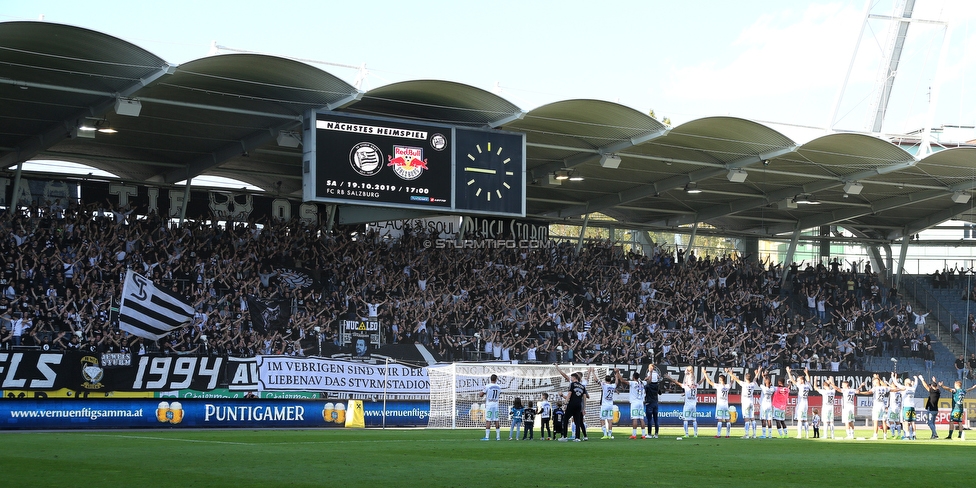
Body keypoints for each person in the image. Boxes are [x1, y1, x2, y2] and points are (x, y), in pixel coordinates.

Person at [555, 364, 589, 442]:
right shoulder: (582, 386)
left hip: (572, 404)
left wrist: (565, 403)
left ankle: (564, 436)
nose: (570, 378)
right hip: (578, 405)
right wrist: (583, 408)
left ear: (574, 378)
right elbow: (584, 398)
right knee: (577, 421)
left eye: (571, 377)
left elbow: (569, 394)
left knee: (566, 419)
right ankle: (577, 438)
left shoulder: (572, 384)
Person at [726, 367, 759, 439]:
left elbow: (735, 378)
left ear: (745, 378)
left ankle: (746, 434)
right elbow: (755, 379)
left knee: (746, 419)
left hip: (745, 403)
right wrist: (758, 373)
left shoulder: (744, 384)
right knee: (752, 418)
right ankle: (754, 434)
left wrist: (729, 373)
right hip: (751, 402)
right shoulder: (753, 384)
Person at [616, 369, 647, 439]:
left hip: (634, 403)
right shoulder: (642, 383)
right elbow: (650, 381)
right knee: (641, 419)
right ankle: (643, 435)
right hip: (641, 402)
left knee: (635, 418)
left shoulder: (632, 383)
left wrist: (618, 372)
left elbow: (623, 381)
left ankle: (634, 435)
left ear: (633, 377)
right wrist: (650, 373)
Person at [672, 365, 699, 438]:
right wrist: (704, 376)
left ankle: (686, 434)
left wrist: (670, 378)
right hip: (694, 405)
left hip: (687, 405)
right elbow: (699, 380)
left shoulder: (686, 386)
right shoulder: (696, 386)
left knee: (685, 420)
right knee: (694, 420)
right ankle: (695, 434)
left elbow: (678, 383)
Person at [703, 372, 732, 438]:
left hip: (720, 405)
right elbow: (732, 381)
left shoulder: (718, 386)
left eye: (719, 378)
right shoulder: (727, 386)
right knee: (727, 420)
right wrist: (731, 373)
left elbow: (709, 381)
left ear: (721, 379)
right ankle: (728, 434)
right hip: (726, 405)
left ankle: (718, 434)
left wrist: (705, 374)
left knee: (720, 420)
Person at [786, 367, 812, 439]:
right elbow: (808, 380)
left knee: (800, 420)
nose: (797, 381)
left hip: (801, 404)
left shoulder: (801, 386)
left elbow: (792, 380)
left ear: (802, 381)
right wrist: (806, 373)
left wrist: (788, 372)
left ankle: (799, 435)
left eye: (798, 380)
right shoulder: (807, 385)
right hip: (806, 403)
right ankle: (807, 435)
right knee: (805, 419)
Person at [864, 374, 890, 440]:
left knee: (876, 421)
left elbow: (869, 392)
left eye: (873, 382)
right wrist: (879, 379)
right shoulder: (884, 388)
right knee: (884, 421)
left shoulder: (875, 388)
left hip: (877, 406)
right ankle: (885, 435)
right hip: (883, 405)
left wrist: (861, 392)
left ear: (875, 382)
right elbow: (886, 386)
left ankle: (875, 435)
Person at [479, 374, 502, 441]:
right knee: (496, 420)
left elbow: (481, 395)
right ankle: (498, 437)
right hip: (496, 405)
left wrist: (481, 393)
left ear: (490, 379)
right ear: (496, 379)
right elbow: (499, 394)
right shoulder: (499, 387)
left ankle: (487, 437)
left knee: (488, 420)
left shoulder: (487, 386)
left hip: (489, 405)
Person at [597, 371, 618, 439]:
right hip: (610, 405)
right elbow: (616, 383)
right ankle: (610, 435)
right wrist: (616, 376)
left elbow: (596, 380)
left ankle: (605, 434)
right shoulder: (612, 386)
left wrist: (593, 372)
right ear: (610, 380)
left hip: (604, 405)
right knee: (610, 420)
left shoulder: (604, 385)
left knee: (602, 419)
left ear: (605, 380)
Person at [644, 365, 662, 438]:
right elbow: (660, 393)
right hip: (655, 403)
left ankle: (649, 434)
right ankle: (656, 434)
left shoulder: (647, 386)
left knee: (649, 420)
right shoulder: (657, 386)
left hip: (649, 403)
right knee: (656, 419)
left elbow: (644, 391)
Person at [758, 372, 775, 439]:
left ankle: (764, 434)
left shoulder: (764, 388)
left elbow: (758, 382)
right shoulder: (772, 389)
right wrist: (764, 377)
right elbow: (770, 384)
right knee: (769, 420)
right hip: (769, 405)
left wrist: (758, 374)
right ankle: (770, 435)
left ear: (765, 382)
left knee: (763, 419)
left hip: (764, 405)